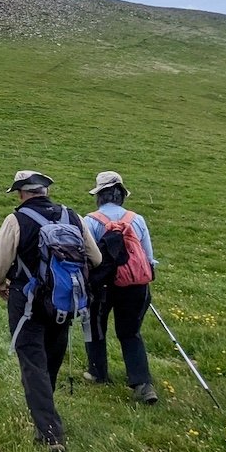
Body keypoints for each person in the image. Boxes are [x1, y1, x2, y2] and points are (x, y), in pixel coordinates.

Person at [0, 170, 101, 452]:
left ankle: (50, 432)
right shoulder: (72, 216)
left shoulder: (17, 219)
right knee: (50, 358)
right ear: (45, 190)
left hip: (26, 301)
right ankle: (44, 412)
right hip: (64, 301)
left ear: (21, 192)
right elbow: (95, 258)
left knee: (32, 363)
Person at [80, 171, 159, 404]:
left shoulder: (90, 220)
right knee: (130, 332)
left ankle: (97, 372)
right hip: (136, 285)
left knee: (94, 327)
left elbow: (88, 257)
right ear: (121, 195)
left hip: (103, 286)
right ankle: (142, 384)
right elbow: (149, 258)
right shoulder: (137, 219)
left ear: (100, 196)